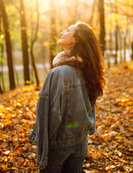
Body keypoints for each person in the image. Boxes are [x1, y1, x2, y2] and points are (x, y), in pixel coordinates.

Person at [28, 22, 105, 173]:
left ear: (76, 39)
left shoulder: (58, 73)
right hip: (81, 142)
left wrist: (44, 148)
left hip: (58, 144)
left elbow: (47, 114)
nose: (62, 32)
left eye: (68, 30)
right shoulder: (91, 70)